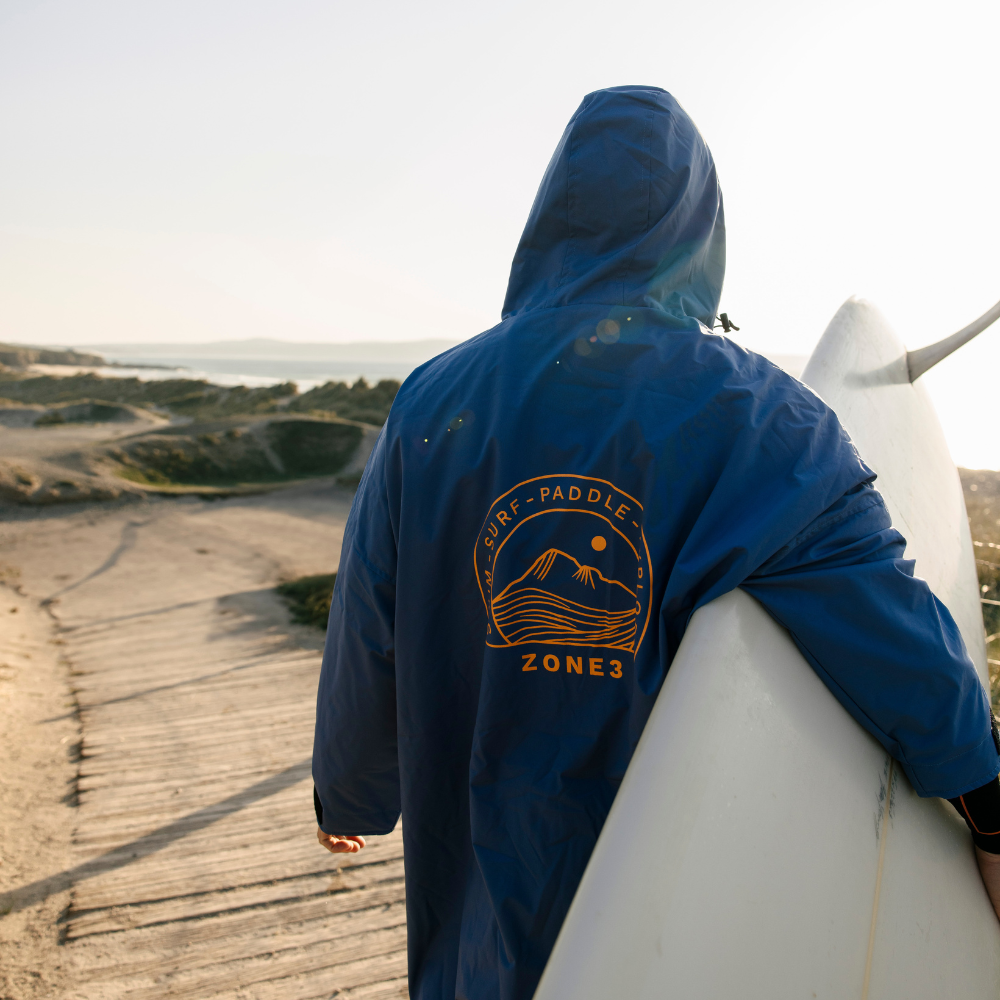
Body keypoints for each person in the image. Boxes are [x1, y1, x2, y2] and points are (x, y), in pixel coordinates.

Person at [312, 85, 1000, 1000]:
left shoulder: (432, 402)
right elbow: (891, 629)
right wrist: (988, 805)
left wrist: (351, 787)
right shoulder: (765, 420)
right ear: (701, 231)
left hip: (476, 901)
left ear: (548, 217)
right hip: (674, 920)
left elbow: (371, 624)